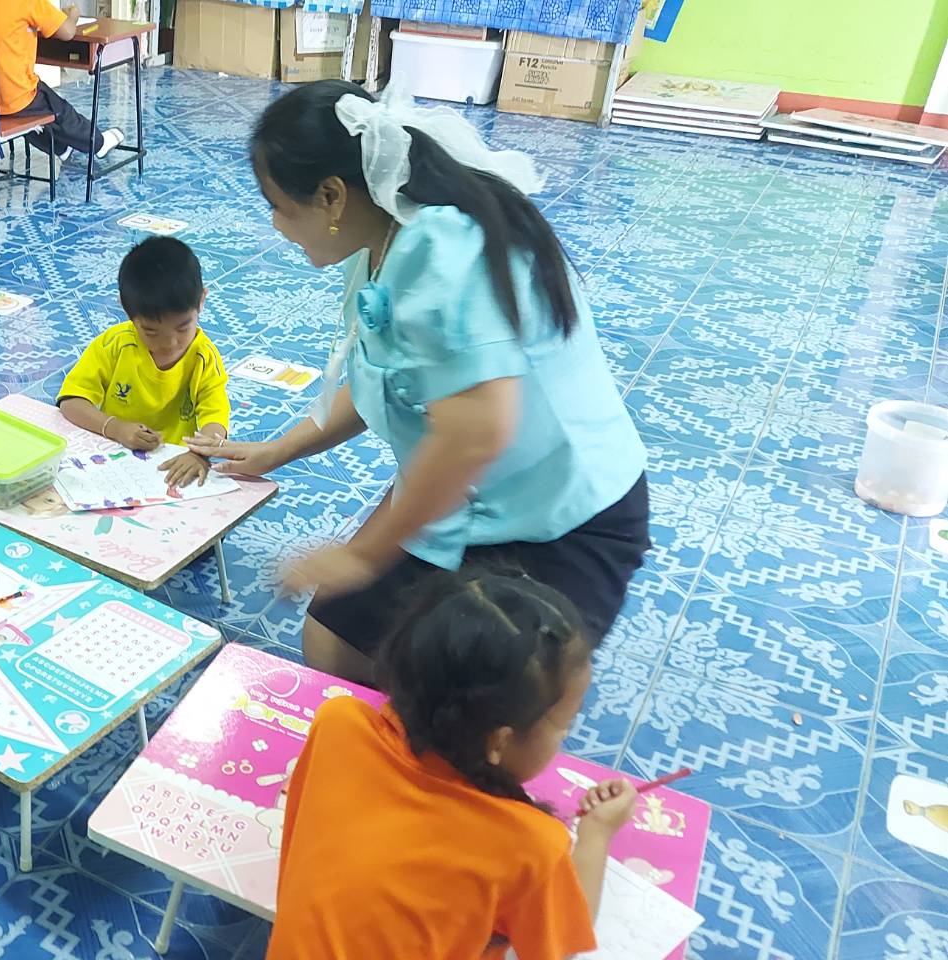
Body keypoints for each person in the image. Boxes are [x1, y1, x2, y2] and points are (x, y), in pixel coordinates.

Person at [190, 80, 650, 683]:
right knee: (335, 646)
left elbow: (475, 434)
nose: (276, 224)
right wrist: (280, 450)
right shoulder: (379, 241)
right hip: (464, 498)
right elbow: (384, 382)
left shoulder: (443, 251)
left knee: (479, 703)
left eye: (278, 206)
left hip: (559, 519)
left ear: (331, 196)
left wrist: (362, 556)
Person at [267, 571, 638, 959]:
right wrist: (596, 834)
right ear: (499, 742)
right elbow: (559, 946)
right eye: (565, 724)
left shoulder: (340, 723)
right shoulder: (530, 846)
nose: (565, 737)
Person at [57, 236, 229, 488]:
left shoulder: (203, 357)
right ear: (127, 310)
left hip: (174, 466)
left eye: (183, 328)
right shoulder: (114, 345)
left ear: (202, 300)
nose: (170, 343)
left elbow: (216, 419)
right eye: (151, 331)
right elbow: (71, 402)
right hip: (115, 454)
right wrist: (115, 428)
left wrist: (198, 454)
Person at [0, 0, 121, 162]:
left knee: (27, 116)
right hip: (14, 96)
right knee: (60, 110)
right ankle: (99, 144)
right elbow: (68, 32)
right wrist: (72, 16)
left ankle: (60, 148)